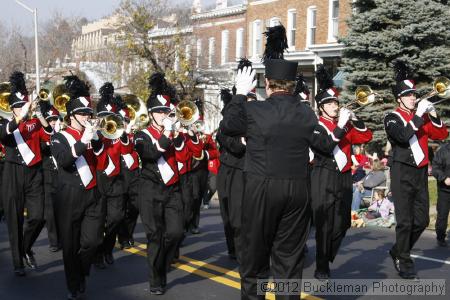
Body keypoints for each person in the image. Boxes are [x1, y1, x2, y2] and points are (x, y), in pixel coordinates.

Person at [221, 24, 318, 299]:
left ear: (267, 84)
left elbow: (228, 125)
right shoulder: (307, 114)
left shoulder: (255, 110)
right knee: (289, 261)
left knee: (254, 261)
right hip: (298, 190)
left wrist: (240, 94)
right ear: (292, 85)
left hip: (262, 188)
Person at [384, 61, 448, 279]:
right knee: (404, 221)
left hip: (420, 173)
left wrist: (434, 114)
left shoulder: (421, 116)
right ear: (400, 98)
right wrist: (420, 116)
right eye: (409, 95)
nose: (414, 98)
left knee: (422, 221)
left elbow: (441, 135)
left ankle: (398, 251)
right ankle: (404, 259)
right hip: (402, 172)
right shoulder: (392, 117)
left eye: (414, 94)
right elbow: (401, 137)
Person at [310, 65, 373, 280]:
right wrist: (342, 125)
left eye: (335, 102)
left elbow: (365, 138)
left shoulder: (344, 124)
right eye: (329, 103)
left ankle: (327, 254)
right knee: (324, 223)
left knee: (343, 223)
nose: (335, 106)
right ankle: (321, 265)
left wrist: (355, 119)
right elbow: (325, 146)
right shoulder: (315, 125)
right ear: (321, 108)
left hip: (344, 176)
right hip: (323, 174)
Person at [50, 75, 105, 299]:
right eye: (82, 113)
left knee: (92, 241)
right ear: (71, 115)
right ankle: (74, 284)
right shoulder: (59, 137)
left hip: (92, 193)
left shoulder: (92, 136)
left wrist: (97, 138)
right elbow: (63, 160)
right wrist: (84, 140)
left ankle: (81, 271)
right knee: (71, 245)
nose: (86, 117)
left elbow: (103, 162)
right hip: (69, 195)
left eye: (88, 113)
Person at [134, 72, 189, 295]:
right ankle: (156, 278)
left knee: (175, 233)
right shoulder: (142, 135)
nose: (163, 115)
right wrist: (167, 132)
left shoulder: (176, 134)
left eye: (166, 111)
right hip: (150, 190)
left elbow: (186, 158)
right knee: (154, 236)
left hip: (172, 189)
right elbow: (150, 154)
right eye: (159, 112)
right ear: (150, 114)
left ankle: (163, 263)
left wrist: (180, 134)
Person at [0, 71, 52, 276]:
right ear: (12, 108)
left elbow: (49, 136)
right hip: (12, 172)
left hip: (34, 172)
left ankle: (25, 247)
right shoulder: (5, 124)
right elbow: (4, 136)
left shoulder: (34, 122)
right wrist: (21, 115)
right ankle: (17, 263)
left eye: (25, 105)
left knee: (39, 216)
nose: (24, 109)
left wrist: (39, 114)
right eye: (19, 106)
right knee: (14, 219)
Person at [92, 83, 128, 268]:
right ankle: (98, 253)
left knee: (116, 218)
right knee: (98, 221)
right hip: (99, 180)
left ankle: (107, 248)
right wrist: (95, 132)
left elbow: (128, 149)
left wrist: (124, 130)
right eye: (104, 118)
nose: (108, 121)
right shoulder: (94, 135)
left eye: (110, 118)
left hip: (116, 181)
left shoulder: (118, 133)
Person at [217, 86, 247, 262]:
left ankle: (243, 247)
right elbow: (235, 146)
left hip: (246, 171)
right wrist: (245, 140)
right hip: (229, 171)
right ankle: (232, 247)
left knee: (241, 214)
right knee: (228, 214)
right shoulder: (224, 127)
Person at [36, 102, 62, 252]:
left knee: (64, 210)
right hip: (48, 176)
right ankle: (54, 241)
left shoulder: (61, 132)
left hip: (62, 177)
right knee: (50, 211)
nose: (53, 122)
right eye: (51, 119)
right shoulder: (42, 135)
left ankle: (64, 237)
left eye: (55, 119)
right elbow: (42, 151)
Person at [431, 141, 450, 247]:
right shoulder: (443, 151)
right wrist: (444, 178)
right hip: (445, 190)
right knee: (442, 215)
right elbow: (435, 168)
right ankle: (441, 237)